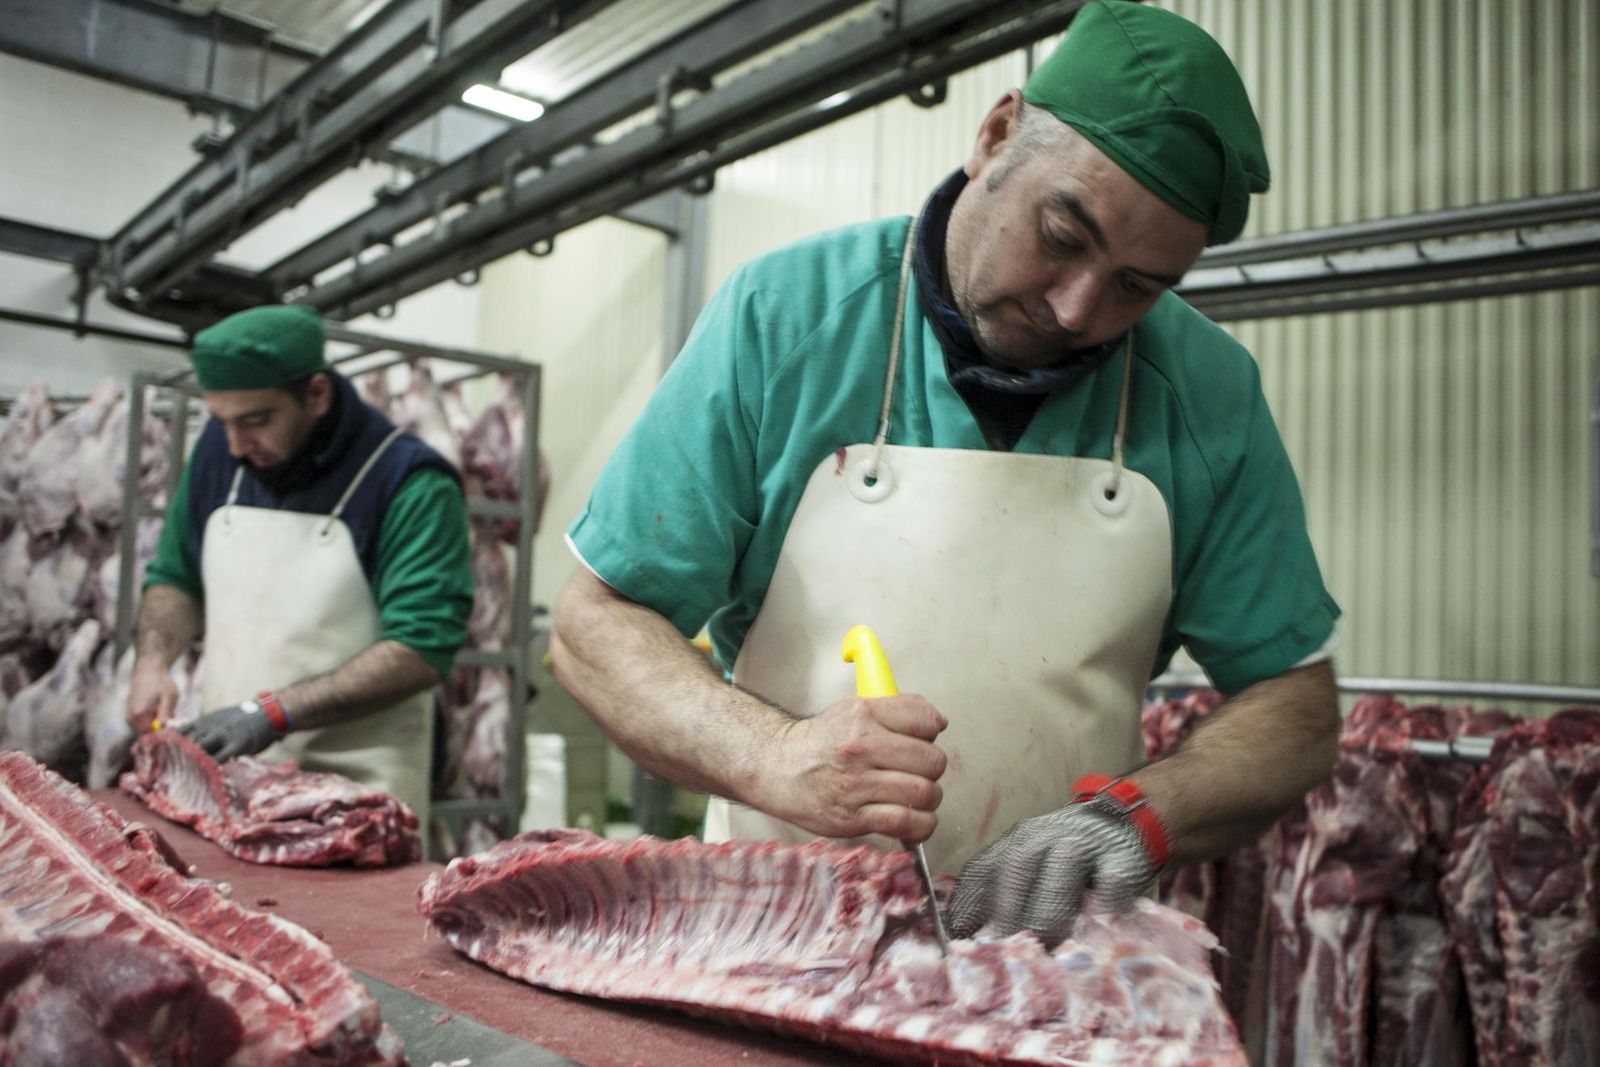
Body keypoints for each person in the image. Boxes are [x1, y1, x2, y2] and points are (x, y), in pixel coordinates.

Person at [550, 0, 1342, 945]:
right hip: (777, 938)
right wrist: (777, 756)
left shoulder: (1207, 393)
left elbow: (1295, 704)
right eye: (1062, 234)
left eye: (1139, 286)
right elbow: (597, 623)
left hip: (1060, 960)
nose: (1078, 307)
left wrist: (1141, 814)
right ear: (997, 134)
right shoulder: (788, 316)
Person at [126, 304, 473, 825]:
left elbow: (420, 649)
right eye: (222, 422)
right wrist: (152, 660)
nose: (237, 445)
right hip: (233, 772)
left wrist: (272, 712)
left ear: (315, 394)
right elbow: (176, 577)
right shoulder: (221, 454)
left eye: (257, 420)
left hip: (356, 797)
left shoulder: (409, 482)